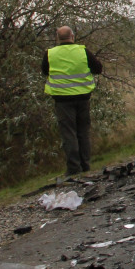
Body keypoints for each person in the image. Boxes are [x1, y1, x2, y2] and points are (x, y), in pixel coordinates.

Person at [41, 26, 103, 177]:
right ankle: (85, 165)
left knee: (69, 134)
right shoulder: (83, 51)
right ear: (72, 36)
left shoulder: (50, 53)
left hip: (62, 100)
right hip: (83, 97)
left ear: (57, 37)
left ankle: (73, 168)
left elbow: (44, 71)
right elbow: (98, 68)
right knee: (83, 132)